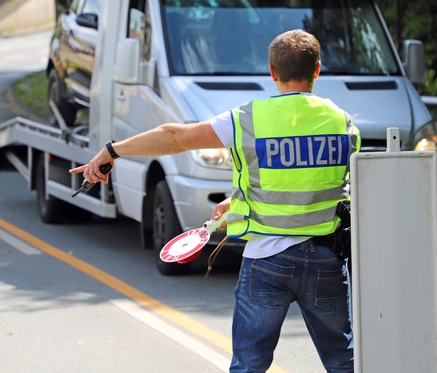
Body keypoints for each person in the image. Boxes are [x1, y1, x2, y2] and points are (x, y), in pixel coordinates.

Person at [70, 29, 359, 372]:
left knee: (249, 365)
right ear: (317, 70)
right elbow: (321, 187)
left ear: (271, 72)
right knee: (344, 362)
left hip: (267, 260)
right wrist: (236, 203)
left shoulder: (248, 119)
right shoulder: (343, 122)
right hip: (326, 258)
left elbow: (175, 138)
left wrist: (113, 150)